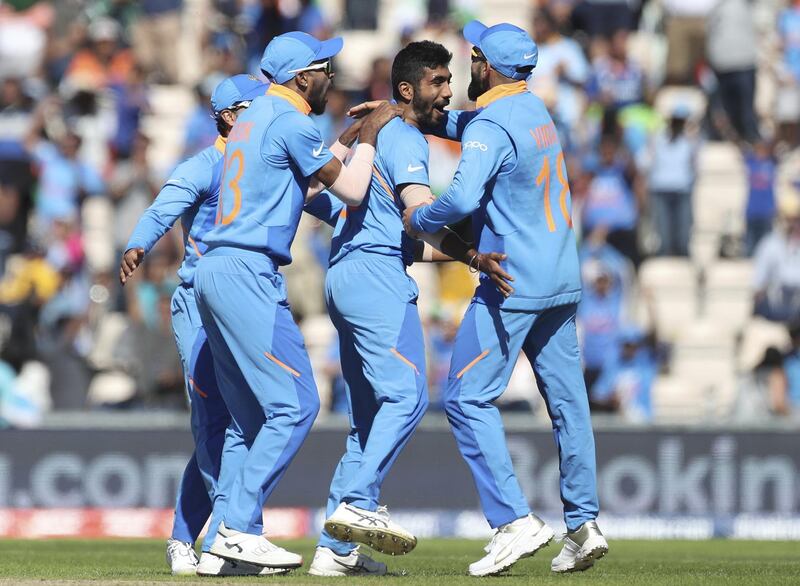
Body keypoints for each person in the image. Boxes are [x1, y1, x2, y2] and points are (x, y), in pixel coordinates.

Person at [404, 21, 607, 577]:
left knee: (467, 397)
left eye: (473, 59)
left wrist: (419, 219)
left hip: (511, 280)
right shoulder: (535, 111)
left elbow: (465, 192)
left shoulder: (491, 125)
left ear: (484, 65)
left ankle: (512, 521)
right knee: (568, 404)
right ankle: (584, 524)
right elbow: (478, 127)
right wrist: (427, 118)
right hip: (561, 279)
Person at [192, 31, 401, 570]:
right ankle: (234, 529)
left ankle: (227, 541)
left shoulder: (257, 118)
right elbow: (350, 191)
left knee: (250, 417)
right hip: (247, 271)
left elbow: (300, 190)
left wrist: (346, 137)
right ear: (302, 77)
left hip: (215, 269)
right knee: (296, 404)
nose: (331, 76)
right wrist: (371, 135)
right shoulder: (290, 120)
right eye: (324, 67)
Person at [311, 41, 513, 577]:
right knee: (409, 397)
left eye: (450, 79)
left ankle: (334, 553)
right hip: (377, 279)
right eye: (438, 82)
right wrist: (468, 231)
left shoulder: (378, 135)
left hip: (346, 276)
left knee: (368, 421)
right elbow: (420, 216)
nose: (449, 90)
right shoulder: (401, 137)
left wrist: (468, 256)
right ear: (407, 90)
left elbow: (320, 198)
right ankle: (358, 502)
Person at [120, 74, 295, 577]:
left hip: (247, 300)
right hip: (200, 303)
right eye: (252, 108)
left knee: (247, 422)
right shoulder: (209, 163)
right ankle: (213, 537)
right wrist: (138, 242)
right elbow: (166, 203)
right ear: (227, 116)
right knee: (214, 424)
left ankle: (219, 534)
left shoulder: (264, 158)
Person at [647, 105, 698, 257]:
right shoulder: (658, 139)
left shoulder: (691, 141)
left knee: (683, 234)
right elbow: (646, 161)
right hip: (661, 189)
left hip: (682, 189)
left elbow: (694, 165)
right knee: (664, 235)